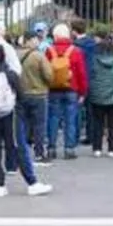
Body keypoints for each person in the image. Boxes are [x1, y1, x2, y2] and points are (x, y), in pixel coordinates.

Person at [0, 41, 53, 197]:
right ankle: (32, 182)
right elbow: (21, 95)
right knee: (17, 145)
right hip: (10, 114)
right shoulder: (10, 74)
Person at [44, 24, 88, 160]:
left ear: (55, 36)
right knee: (70, 120)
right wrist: (83, 92)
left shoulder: (49, 51)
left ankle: (51, 148)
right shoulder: (76, 51)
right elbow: (81, 73)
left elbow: (45, 71)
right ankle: (69, 149)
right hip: (71, 89)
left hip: (53, 89)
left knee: (53, 119)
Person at [17, 35, 54, 162]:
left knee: (23, 125)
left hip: (21, 94)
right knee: (39, 125)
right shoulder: (38, 56)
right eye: (36, 39)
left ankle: (23, 152)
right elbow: (49, 75)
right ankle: (39, 153)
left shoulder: (16, 55)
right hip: (39, 93)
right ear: (30, 40)